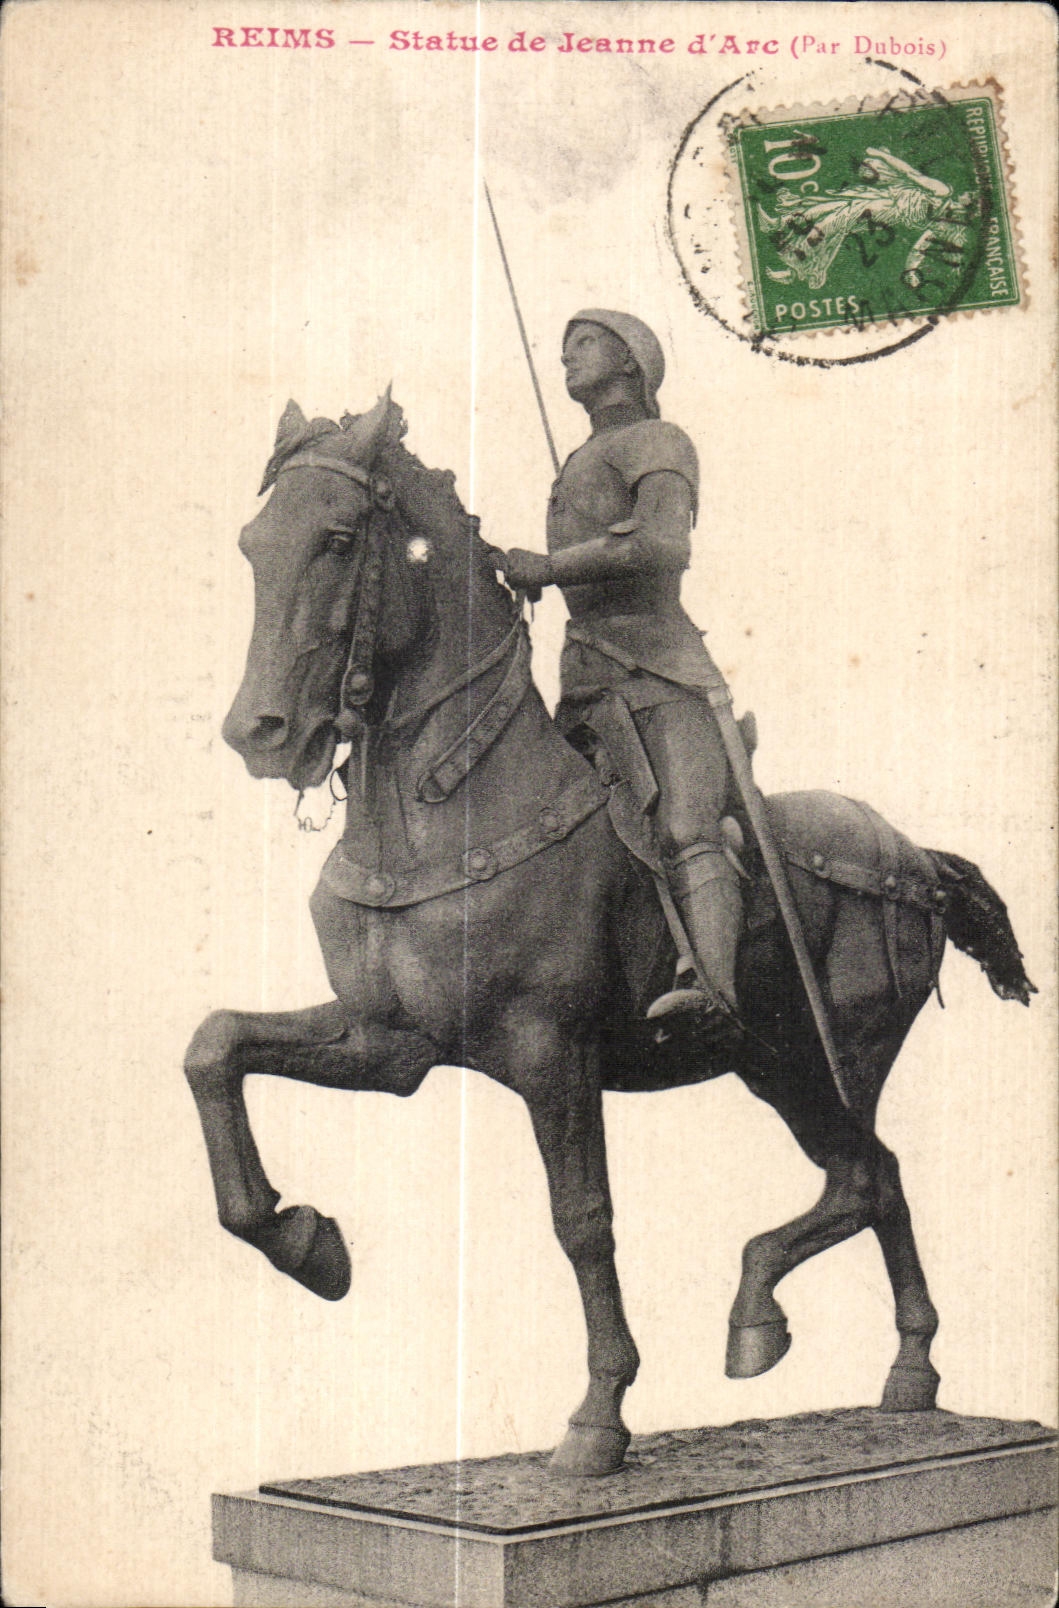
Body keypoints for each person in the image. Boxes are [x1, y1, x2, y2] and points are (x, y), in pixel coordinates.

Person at [499, 310, 743, 1040]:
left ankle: (713, 990)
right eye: (563, 346)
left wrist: (549, 567)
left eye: (583, 343)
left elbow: (664, 544)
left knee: (687, 827)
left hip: (660, 673)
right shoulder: (580, 460)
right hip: (585, 681)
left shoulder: (657, 440)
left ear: (631, 361)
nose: (565, 356)